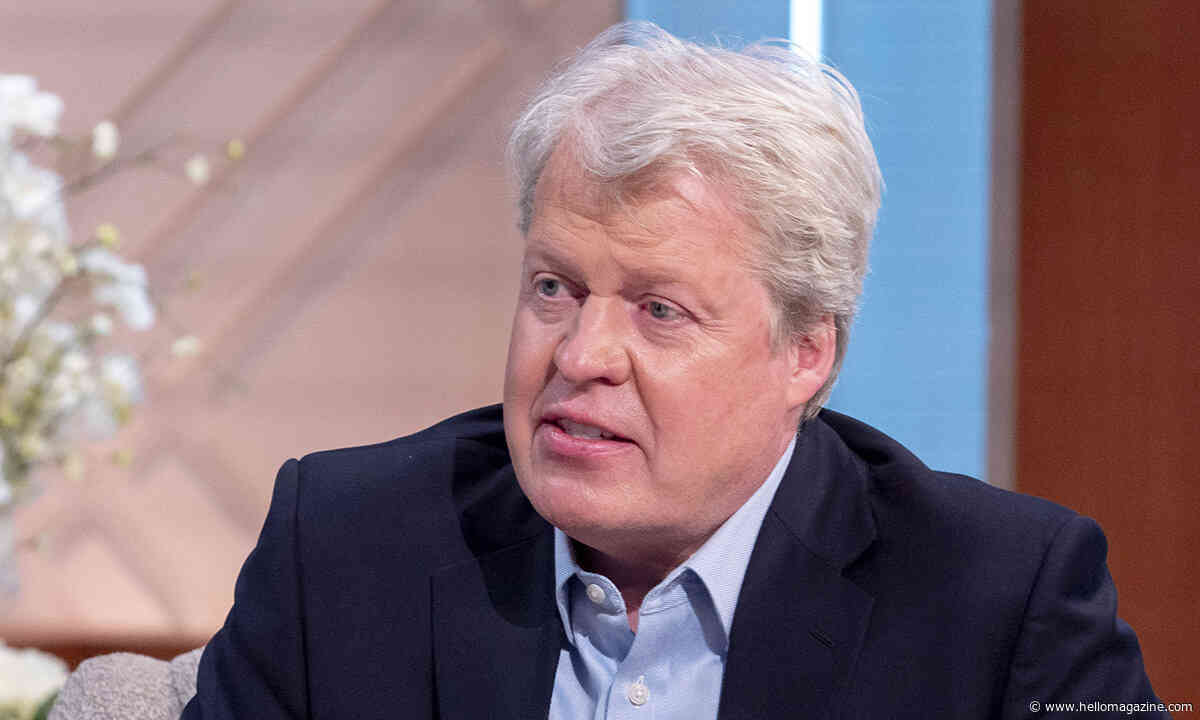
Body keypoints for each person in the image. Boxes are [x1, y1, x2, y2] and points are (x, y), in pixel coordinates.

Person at [183, 21, 1163, 719]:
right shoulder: (344, 545)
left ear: (806, 352)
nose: (580, 356)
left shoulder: (1002, 600)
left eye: (660, 310)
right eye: (555, 288)